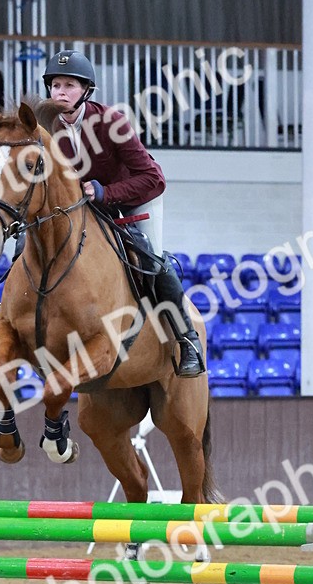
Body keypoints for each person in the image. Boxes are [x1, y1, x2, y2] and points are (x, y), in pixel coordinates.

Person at [43, 49, 202, 377]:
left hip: (134, 199)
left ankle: (187, 339)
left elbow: (153, 179)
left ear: (86, 91)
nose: (60, 92)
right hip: (83, 207)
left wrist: (106, 192)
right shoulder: (46, 128)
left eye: (69, 85)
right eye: (55, 85)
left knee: (151, 259)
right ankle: (4, 315)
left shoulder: (111, 122)